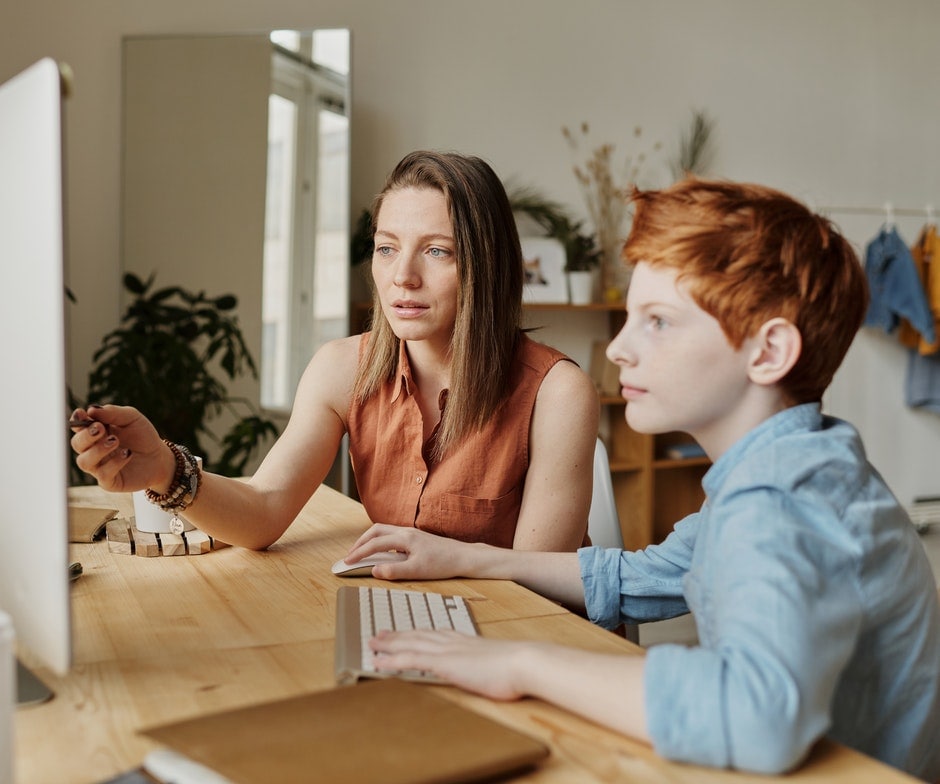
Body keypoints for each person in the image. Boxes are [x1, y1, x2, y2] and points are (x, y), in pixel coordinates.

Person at [343, 178, 940, 781]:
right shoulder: (794, 465)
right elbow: (640, 576)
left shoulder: (780, 498)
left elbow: (756, 715)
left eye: (657, 322)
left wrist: (521, 663)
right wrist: (465, 557)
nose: (621, 349)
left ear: (768, 353)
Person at [70, 150, 599, 552]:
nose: (402, 277)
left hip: (522, 641)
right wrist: (165, 468)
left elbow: (537, 586)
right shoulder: (342, 368)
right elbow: (263, 510)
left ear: (488, 266)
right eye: (387, 248)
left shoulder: (557, 393)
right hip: (416, 622)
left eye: (437, 251)